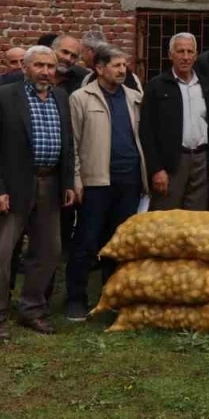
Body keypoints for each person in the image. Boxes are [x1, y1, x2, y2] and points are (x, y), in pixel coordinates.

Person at [0, 46, 76, 340]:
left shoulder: (61, 97)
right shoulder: (3, 97)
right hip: (13, 186)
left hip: (50, 183)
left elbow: (68, 144)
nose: (45, 72)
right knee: (1, 252)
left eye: (50, 66)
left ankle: (32, 309)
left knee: (48, 250)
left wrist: (68, 182)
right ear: (26, 68)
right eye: (39, 66)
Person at [64, 46, 148, 321]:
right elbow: (73, 143)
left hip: (129, 179)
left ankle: (112, 296)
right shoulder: (81, 98)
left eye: (124, 65)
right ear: (99, 68)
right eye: (116, 65)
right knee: (87, 240)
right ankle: (76, 299)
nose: (122, 70)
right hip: (96, 180)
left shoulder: (134, 97)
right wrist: (77, 179)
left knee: (119, 241)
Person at [139, 33, 209, 212]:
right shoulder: (157, 86)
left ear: (196, 55)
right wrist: (156, 169)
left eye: (189, 51)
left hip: (201, 160)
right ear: (170, 54)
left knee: (195, 218)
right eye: (180, 51)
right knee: (166, 217)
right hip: (172, 163)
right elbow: (147, 131)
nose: (185, 57)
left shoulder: (207, 85)